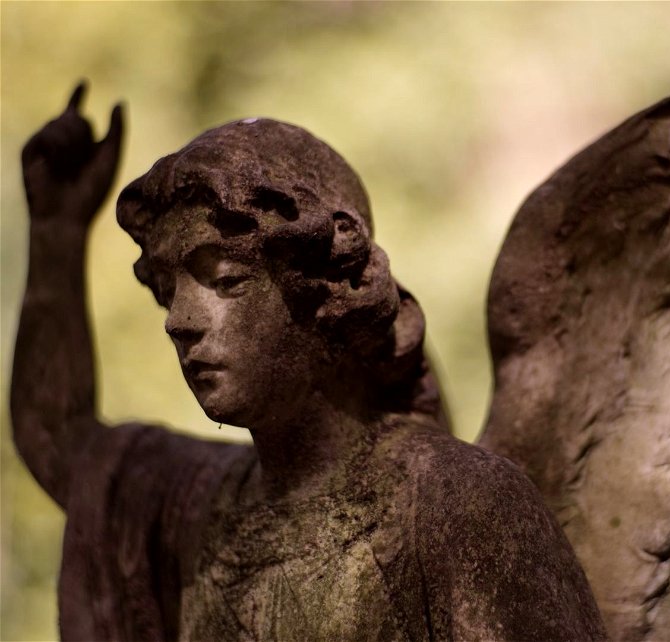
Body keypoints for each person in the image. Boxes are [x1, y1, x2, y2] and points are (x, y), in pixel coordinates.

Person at [12, 84, 606, 641]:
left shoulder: (456, 503)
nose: (178, 319)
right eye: (169, 290)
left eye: (226, 279)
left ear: (323, 293)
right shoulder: (198, 504)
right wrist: (56, 232)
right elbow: (60, 440)